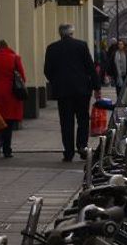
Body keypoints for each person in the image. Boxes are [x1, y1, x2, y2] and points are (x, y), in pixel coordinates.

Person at [43, 24, 101, 163]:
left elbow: (47, 70)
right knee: (82, 119)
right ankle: (82, 147)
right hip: (81, 90)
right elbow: (90, 67)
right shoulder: (81, 46)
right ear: (72, 33)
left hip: (63, 91)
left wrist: (56, 82)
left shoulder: (52, 48)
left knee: (66, 122)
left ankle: (68, 152)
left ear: (60, 33)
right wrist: (96, 87)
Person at [0, 40, 26, 158]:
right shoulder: (15, 58)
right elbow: (22, 77)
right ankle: (7, 149)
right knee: (9, 123)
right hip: (11, 93)